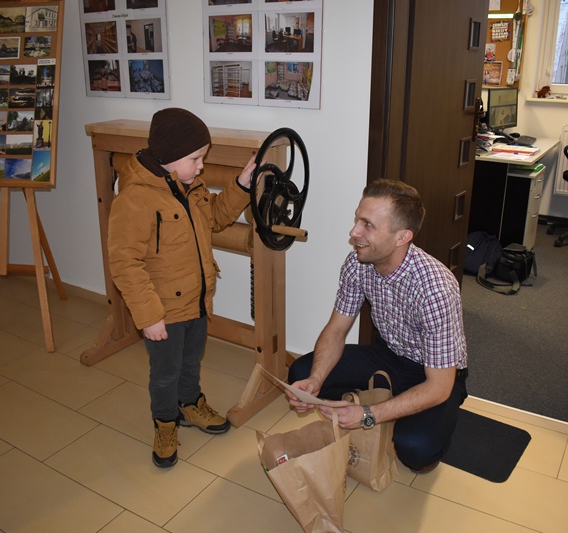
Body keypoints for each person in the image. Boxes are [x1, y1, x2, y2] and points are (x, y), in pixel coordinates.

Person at [108, 108, 258, 468]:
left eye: (202, 158)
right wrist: (148, 316)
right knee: (165, 375)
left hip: (197, 301)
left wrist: (242, 184)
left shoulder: (190, 186)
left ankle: (191, 405)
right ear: (168, 157)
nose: (201, 166)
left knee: (191, 362)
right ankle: (164, 422)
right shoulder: (135, 199)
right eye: (196, 158)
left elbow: (218, 218)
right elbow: (124, 263)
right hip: (162, 313)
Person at [287, 179, 468, 474]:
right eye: (357, 219)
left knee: (416, 451)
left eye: (367, 225)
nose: (354, 232)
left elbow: (438, 385)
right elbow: (336, 330)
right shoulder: (358, 262)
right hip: (388, 356)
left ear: (401, 237)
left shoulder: (436, 288)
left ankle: (411, 415)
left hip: (435, 373)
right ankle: (385, 406)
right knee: (301, 373)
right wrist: (316, 381)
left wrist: (368, 415)